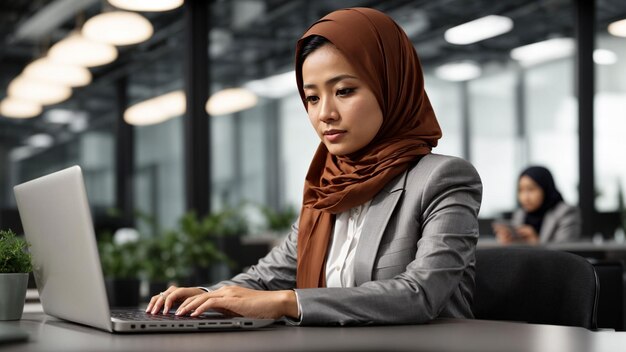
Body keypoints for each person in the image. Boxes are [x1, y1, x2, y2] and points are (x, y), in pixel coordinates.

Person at [146, 7, 482, 326]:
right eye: (312, 98)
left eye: (344, 91)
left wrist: (287, 302)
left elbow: (420, 294)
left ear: (391, 87)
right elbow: (269, 277)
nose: (325, 114)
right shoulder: (328, 186)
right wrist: (208, 296)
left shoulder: (443, 179)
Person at [493, 166, 581, 245]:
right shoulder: (521, 213)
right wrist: (508, 242)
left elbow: (567, 254)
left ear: (545, 189)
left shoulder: (566, 212)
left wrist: (536, 242)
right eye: (521, 190)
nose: (525, 197)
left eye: (531, 189)